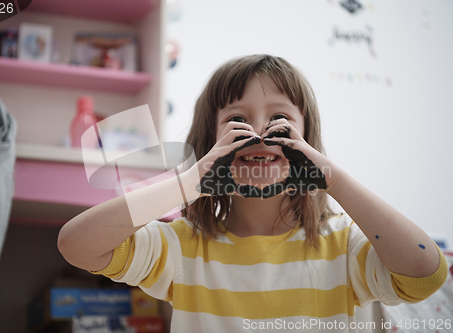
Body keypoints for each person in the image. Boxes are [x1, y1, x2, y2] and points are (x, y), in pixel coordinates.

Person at [58, 55, 447, 332]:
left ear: (306, 142)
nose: (259, 133)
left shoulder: (343, 246)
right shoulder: (184, 249)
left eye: (280, 119)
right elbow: (77, 245)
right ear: (211, 142)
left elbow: (424, 275)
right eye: (237, 120)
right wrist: (189, 182)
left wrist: (333, 179)